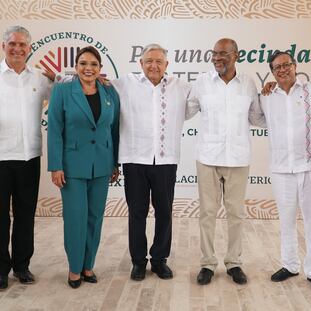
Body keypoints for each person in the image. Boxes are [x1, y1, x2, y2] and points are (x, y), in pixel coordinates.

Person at [111, 44, 191, 281]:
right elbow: (95, 81)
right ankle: (138, 262)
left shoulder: (182, 87)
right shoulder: (125, 84)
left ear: (166, 65)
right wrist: (59, 78)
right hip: (135, 159)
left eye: (159, 61)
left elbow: (205, 96)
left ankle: (159, 260)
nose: (153, 65)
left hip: (166, 160)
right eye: (149, 61)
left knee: (164, 212)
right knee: (137, 212)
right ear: (141, 63)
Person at [253, 51, 311, 293]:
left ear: (295, 66)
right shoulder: (266, 96)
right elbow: (255, 118)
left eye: (286, 65)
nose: (282, 70)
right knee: (286, 219)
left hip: (310, 164)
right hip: (281, 166)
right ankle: (289, 264)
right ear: (272, 72)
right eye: (277, 67)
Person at [186, 38, 259, 285]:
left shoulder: (248, 84)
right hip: (208, 156)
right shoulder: (202, 83)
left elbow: (258, 117)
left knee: (236, 213)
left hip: (238, 157)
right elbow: (185, 111)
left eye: (223, 54)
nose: (217, 58)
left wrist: (275, 95)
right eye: (214, 53)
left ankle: (234, 263)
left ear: (236, 55)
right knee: (207, 213)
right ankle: (207, 263)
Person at [47, 46, 120, 289]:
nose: (88, 68)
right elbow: (55, 129)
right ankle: (74, 268)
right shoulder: (63, 91)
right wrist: (56, 166)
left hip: (101, 165)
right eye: (83, 63)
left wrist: (114, 163)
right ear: (76, 67)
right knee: (75, 218)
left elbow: (114, 130)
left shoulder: (110, 93)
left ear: (100, 68)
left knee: (95, 218)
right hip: (72, 167)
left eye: (93, 64)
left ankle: (89, 265)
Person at [0, 26, 53, 290]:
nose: (17, 49)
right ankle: (0, 270)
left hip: (29, 156)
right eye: (12, 44)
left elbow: (63, 98)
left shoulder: (40, 79)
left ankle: (22, 266)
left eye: (22, 45)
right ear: (3, 46)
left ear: (29, 48)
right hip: (0, 158)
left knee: (25, 215)